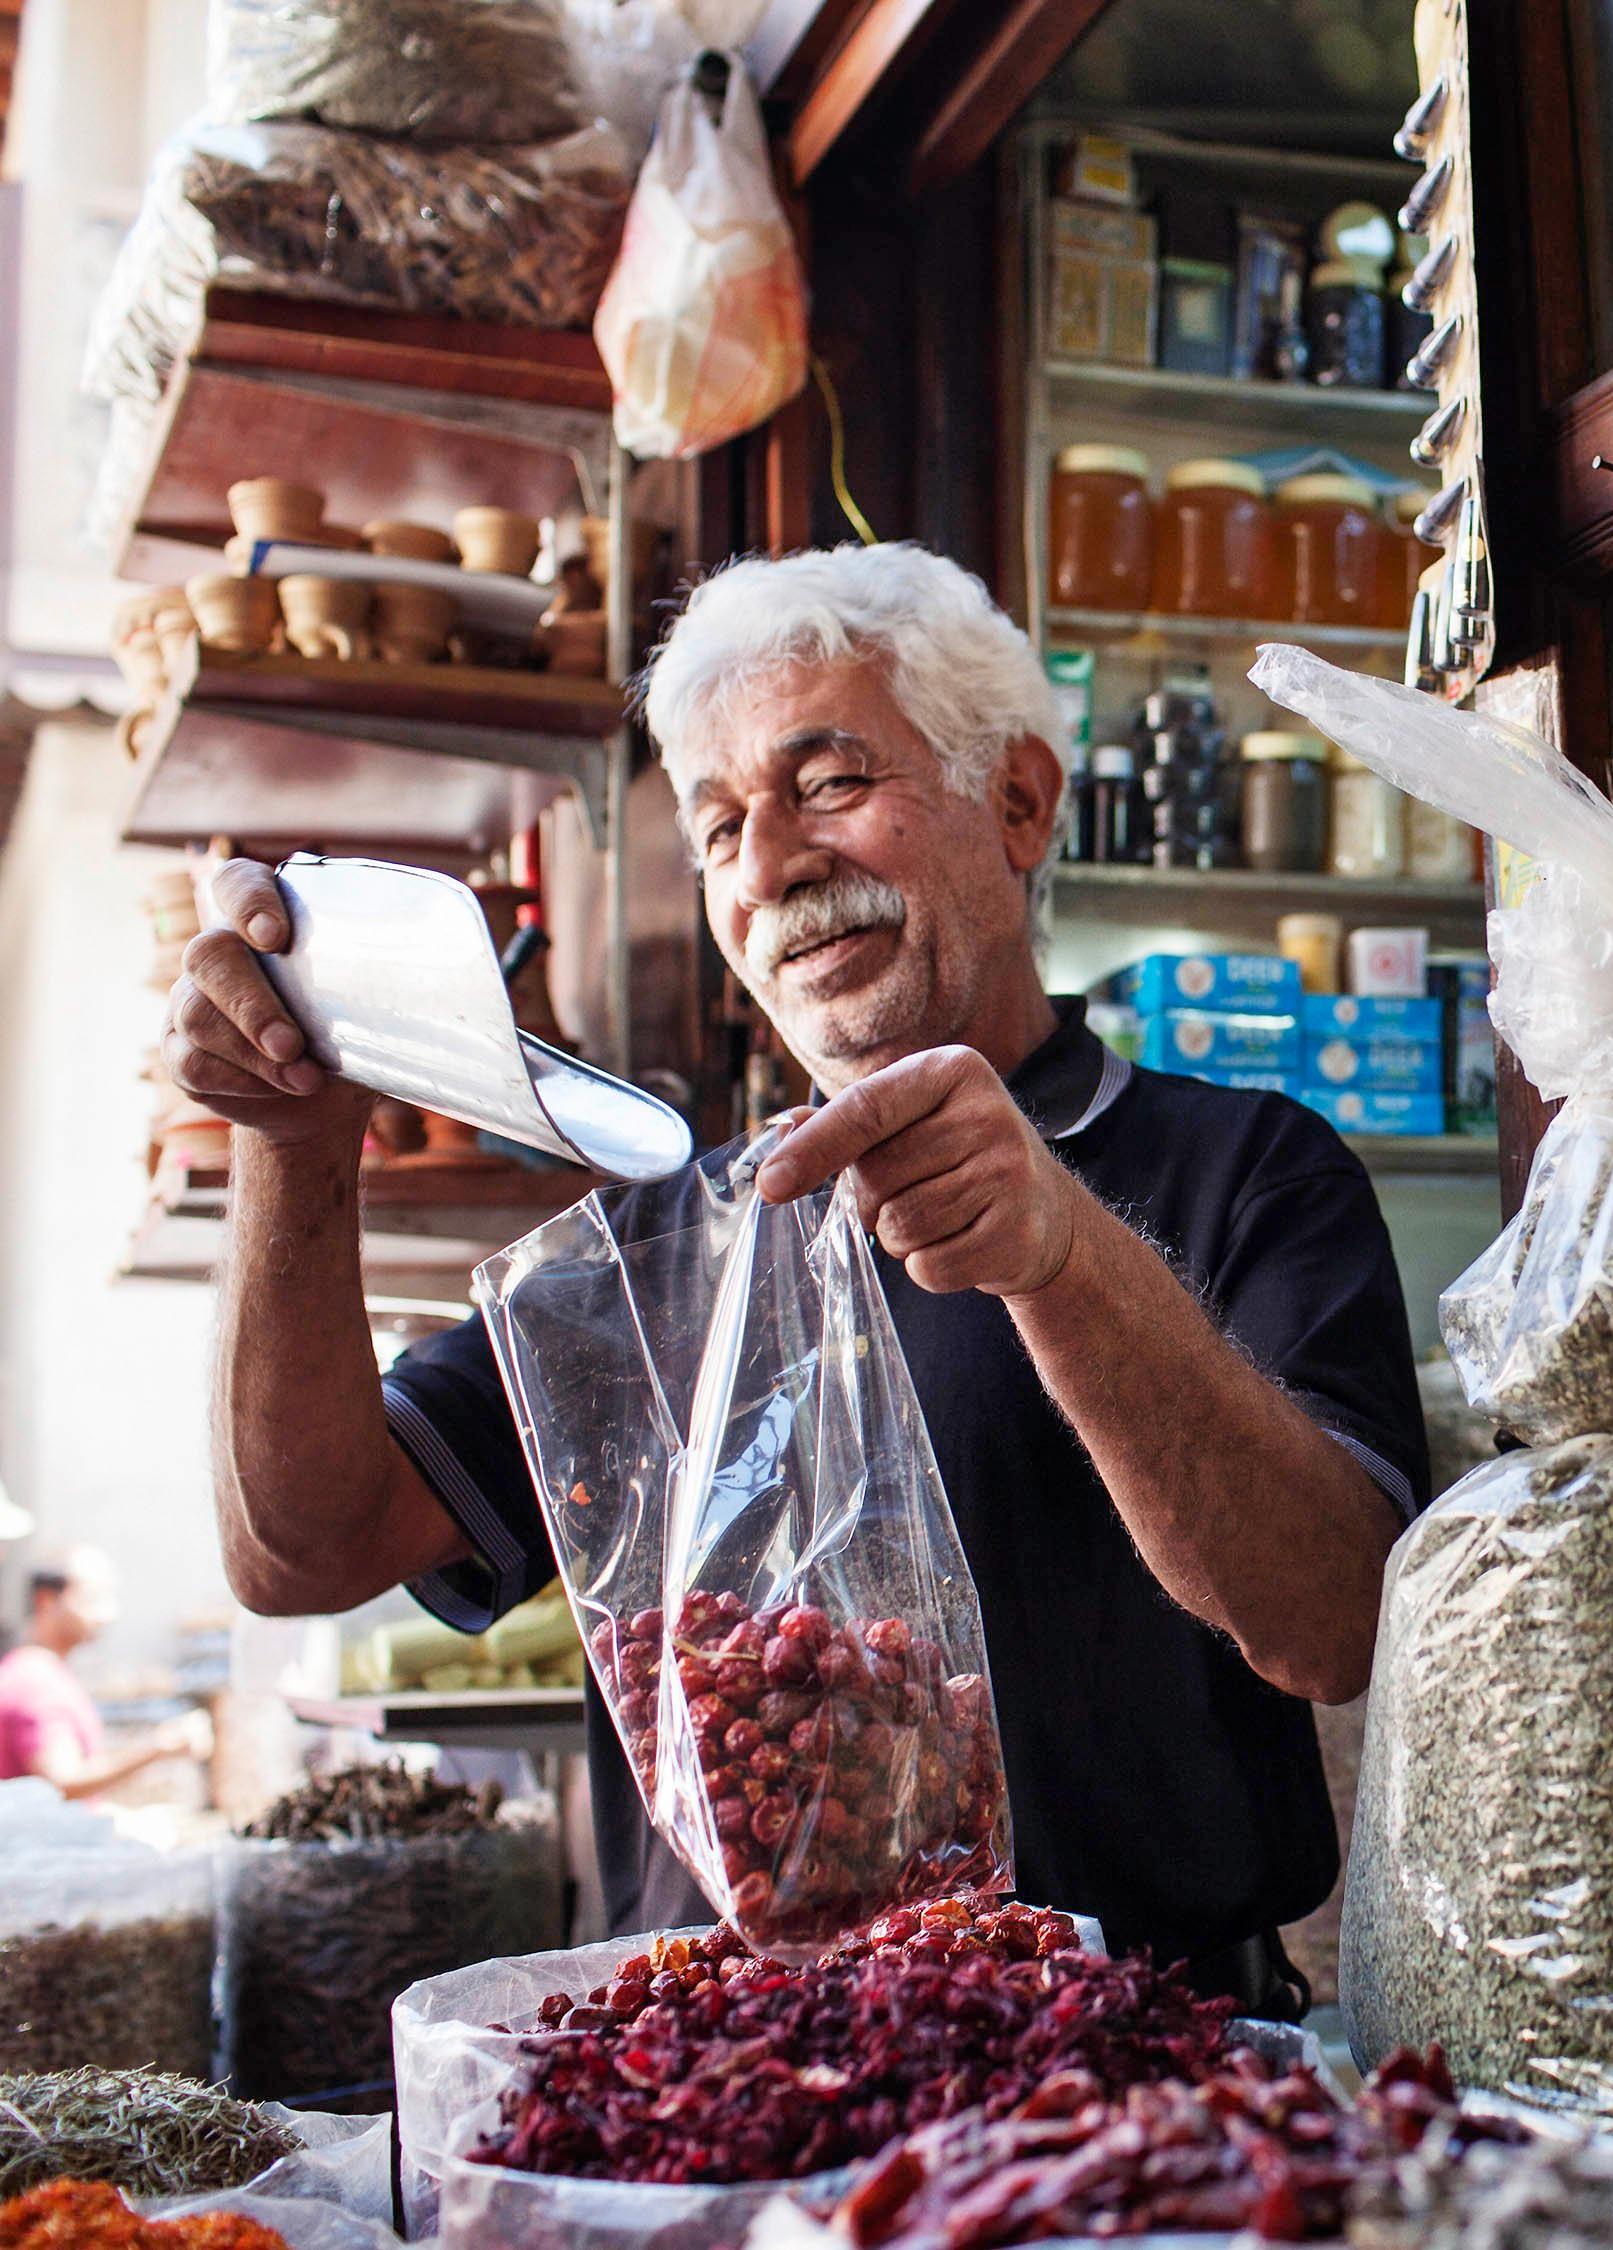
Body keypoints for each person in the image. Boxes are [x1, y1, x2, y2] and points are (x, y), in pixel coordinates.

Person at [170, 545, 1424, 2014]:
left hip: (1148, 2083)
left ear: (1019, 800)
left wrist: (1064, 1252)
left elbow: (1338, 1618)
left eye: (829, 783)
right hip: (734, 2089)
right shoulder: (659, 1247)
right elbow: (297, 1546)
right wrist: (291, 1141)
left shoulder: (1251, 1170)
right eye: (719, 830)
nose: (770, 865)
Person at [0, 1549, 211, 1797]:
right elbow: (62, 1783)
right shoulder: (35, 1682)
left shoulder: (44, 1672)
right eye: (92, 1599)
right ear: (46, 1600)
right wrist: (160, 1747)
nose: (107, 1614)